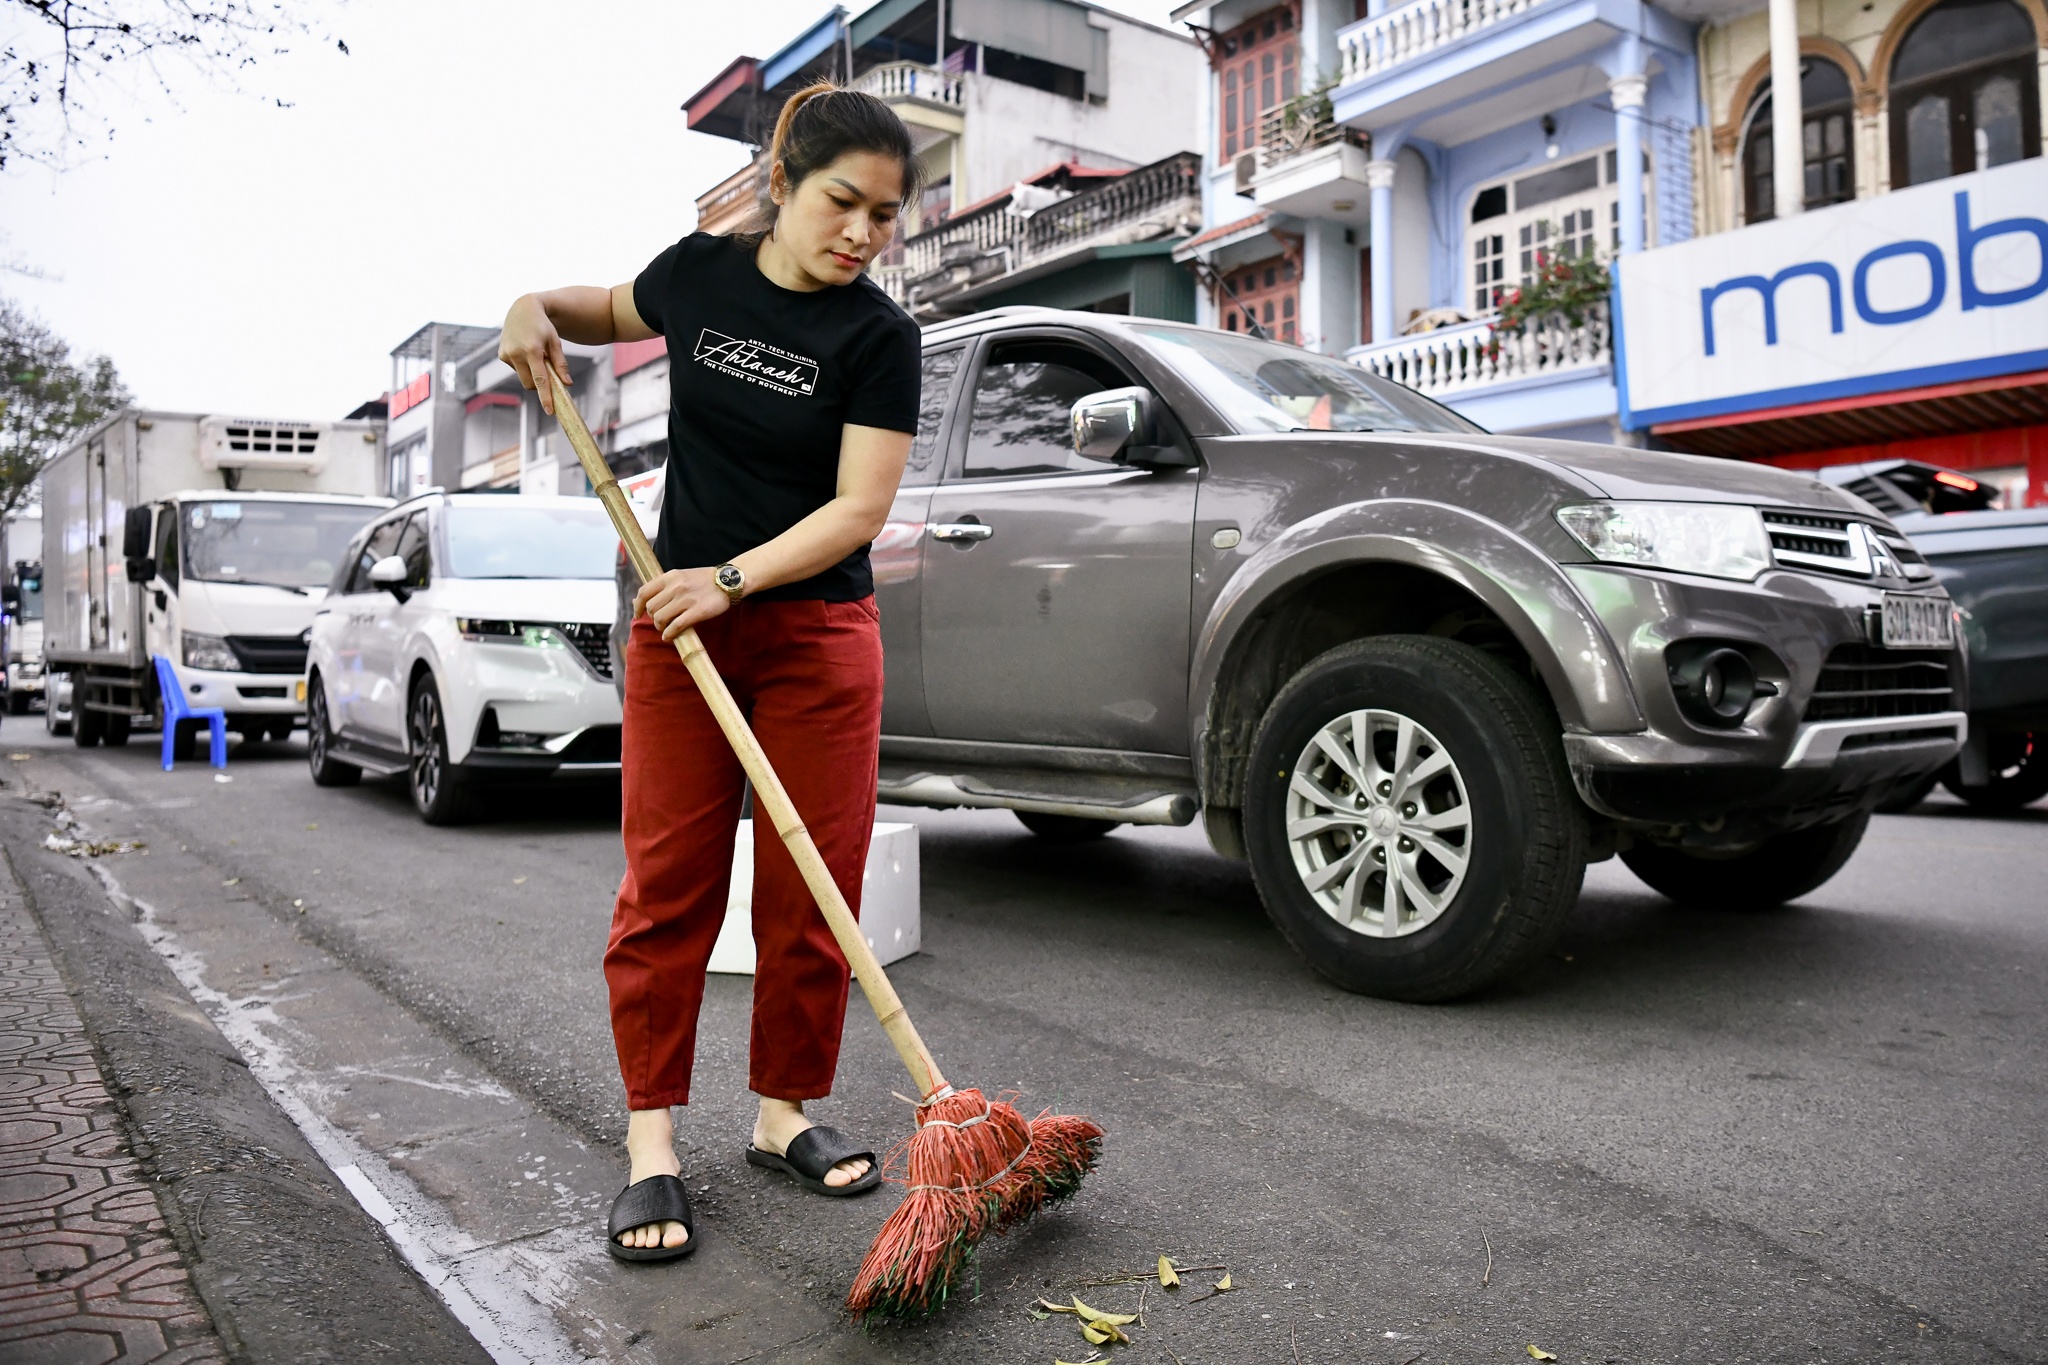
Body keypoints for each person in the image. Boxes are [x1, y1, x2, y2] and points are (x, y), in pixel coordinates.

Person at [497, 82, 923, 1262]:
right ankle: (651, 1146)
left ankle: (781, 1112)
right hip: (681, 635)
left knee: (811, 890)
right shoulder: (697, 275)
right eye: (844, 202)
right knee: (668, 883)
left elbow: (857, 511)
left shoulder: (879, 338)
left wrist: (731, 577)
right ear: (780, 186)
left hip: (811, 635)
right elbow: (594, 308)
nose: (861, 234)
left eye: (884, 217)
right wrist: (530, 304)